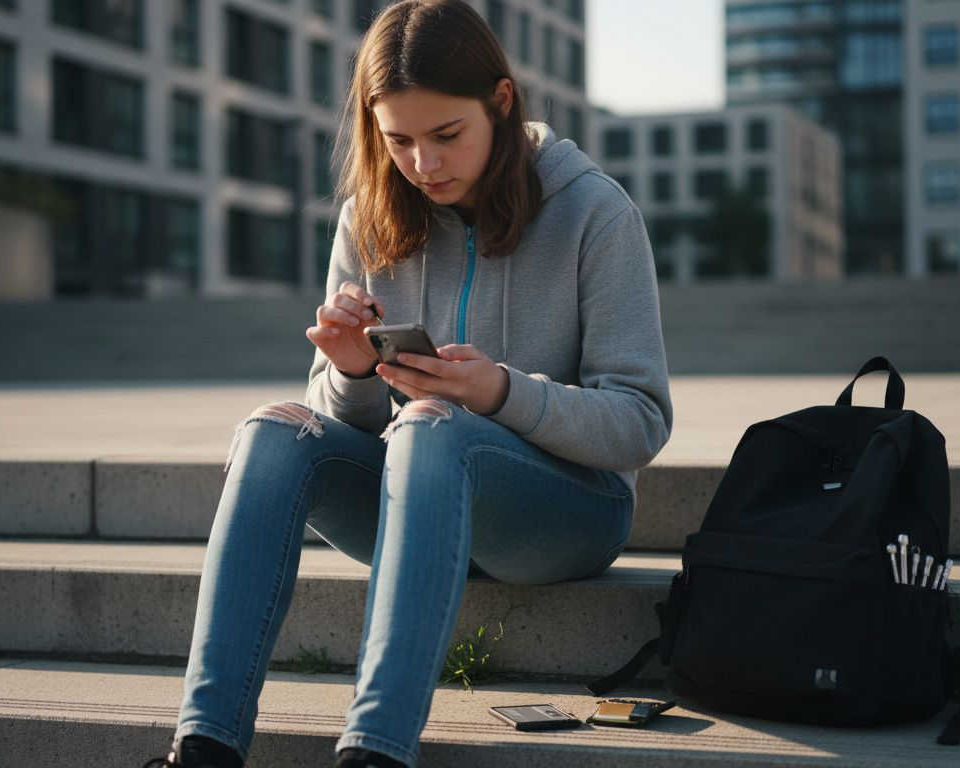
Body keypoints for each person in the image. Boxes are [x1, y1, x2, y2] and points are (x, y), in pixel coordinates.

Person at [143, 1, 671, 766]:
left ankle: (376, 750)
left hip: (564, 513)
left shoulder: (595, 212)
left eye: (446, 135)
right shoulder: (369, 219)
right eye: (399, 142)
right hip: (418, 495)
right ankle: (203, 749)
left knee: (430, 424)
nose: (423, 164)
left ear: (500, 101)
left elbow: (640, 420)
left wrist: (499, 394)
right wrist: (354, 372)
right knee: (273, 431)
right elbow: (340, 414)